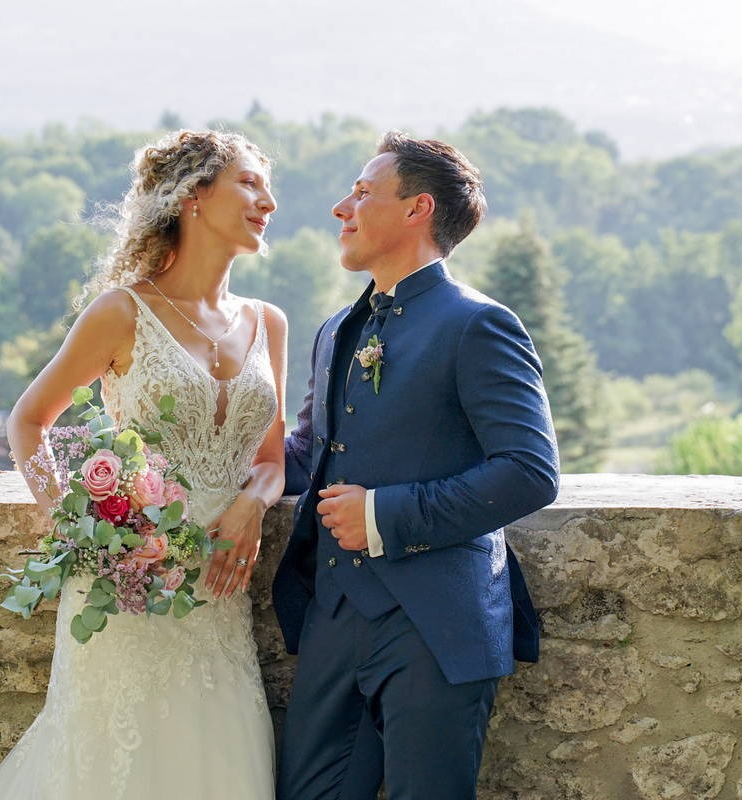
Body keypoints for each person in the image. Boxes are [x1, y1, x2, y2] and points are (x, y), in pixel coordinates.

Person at [0, 130, 286, 800]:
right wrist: (77, 523)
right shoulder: (122, 312)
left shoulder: (268, 323)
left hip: (219, 593)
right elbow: (29, 421)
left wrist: (252, 503)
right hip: (127, 588)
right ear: (194, 196)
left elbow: (272, 459)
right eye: (250, 183)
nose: (269, 200)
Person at [273, 132, 560, 800]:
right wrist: (190, 482)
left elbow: (530, 469)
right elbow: (306, 460)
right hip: (334, 618)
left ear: (417, 210)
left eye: (364, 192)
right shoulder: (335, 330)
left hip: (436, 623)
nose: (341, 207)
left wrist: (382, 515)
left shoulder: (478, 325)